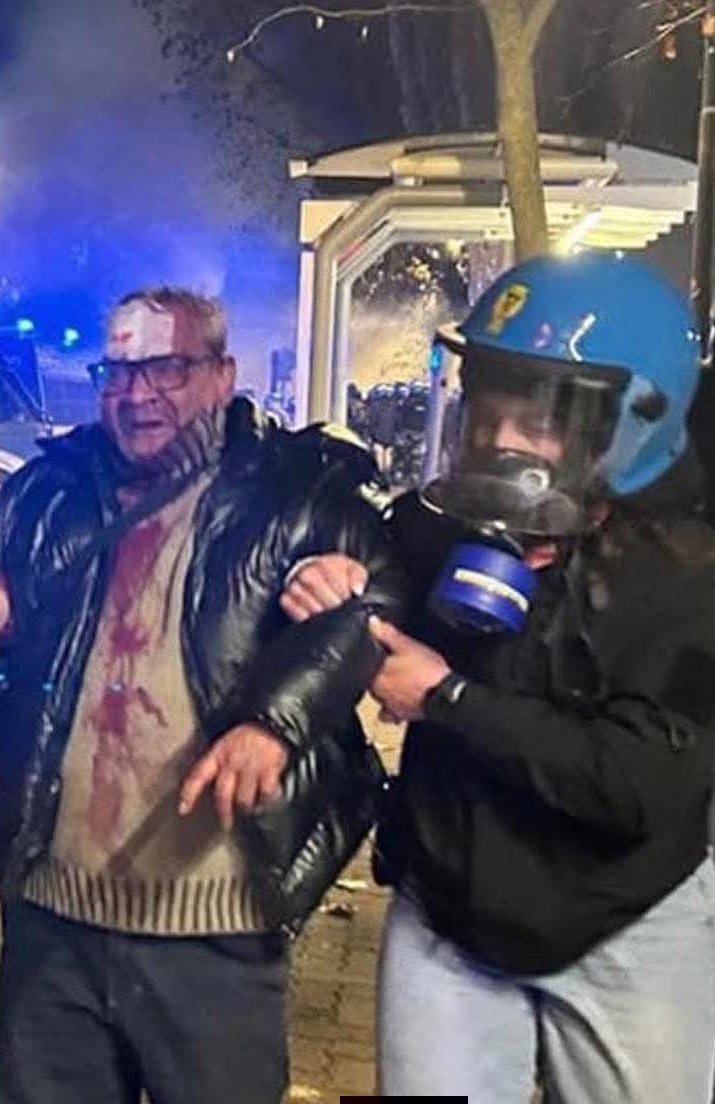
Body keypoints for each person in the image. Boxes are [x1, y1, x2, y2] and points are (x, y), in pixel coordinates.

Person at [0, 287, 405, 1104]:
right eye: (117, 373)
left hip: (216, 927)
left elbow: (381, 602)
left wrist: (272, 725)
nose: (136, 394)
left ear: (222, 374)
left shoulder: (292, 491)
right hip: (53, 920)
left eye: (165, 369)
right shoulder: (49, 491)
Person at [283, 253, 715, 1103]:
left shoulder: (685, 583)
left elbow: (637, 788)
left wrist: (446, 698)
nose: (500, 443)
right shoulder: (435, 530)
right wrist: (328, 576)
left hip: (625, 924)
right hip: (449, 913)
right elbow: (371, 583)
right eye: (487, 410)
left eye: (539, 420)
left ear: (630, 423)